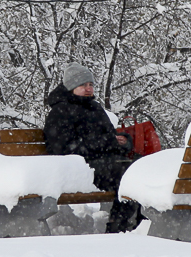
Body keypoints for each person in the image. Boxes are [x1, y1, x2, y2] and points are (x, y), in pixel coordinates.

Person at [43, 64, 144, 233]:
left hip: (104, 164)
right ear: (71, 87)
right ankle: (119, 227)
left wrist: (123, 141)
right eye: (83, 85)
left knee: (142, 166)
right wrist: (106, 142)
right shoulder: (60, 111)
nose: (88, 89)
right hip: (81, 169)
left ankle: (139, 224)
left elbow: (109, 137)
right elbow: (62, 149)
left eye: (90, 85)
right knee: (127, 176)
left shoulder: (94, 107)